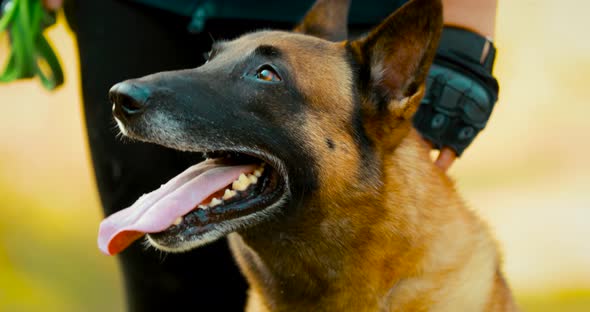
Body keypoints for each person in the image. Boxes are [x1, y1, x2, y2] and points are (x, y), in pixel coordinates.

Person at [42, 0, 499, 310]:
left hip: (373, 10)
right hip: (144, 9)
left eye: (264, 75)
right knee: (167, 292)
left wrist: (469, 35)